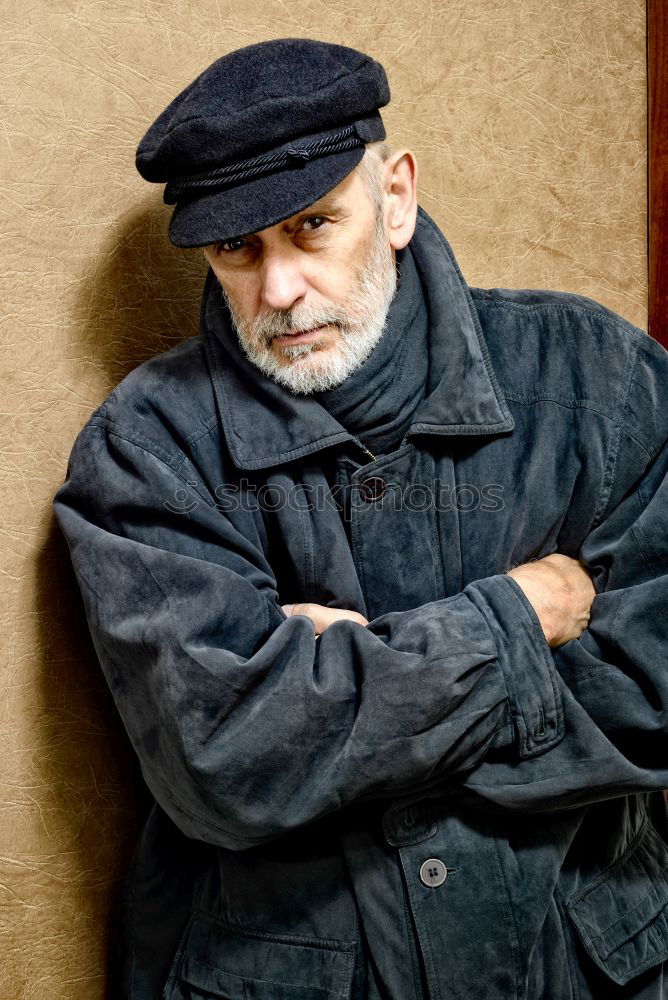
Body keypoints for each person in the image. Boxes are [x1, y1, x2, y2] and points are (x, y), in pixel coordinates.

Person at [52, 37, 668, 1000]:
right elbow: (227, 762)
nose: (279, 290)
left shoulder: (599, 381)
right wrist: (517, 617)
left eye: (312, 226)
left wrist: (347, 693)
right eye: (236, 250)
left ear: (396, 199)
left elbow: (657, 696)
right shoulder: (146, 450)